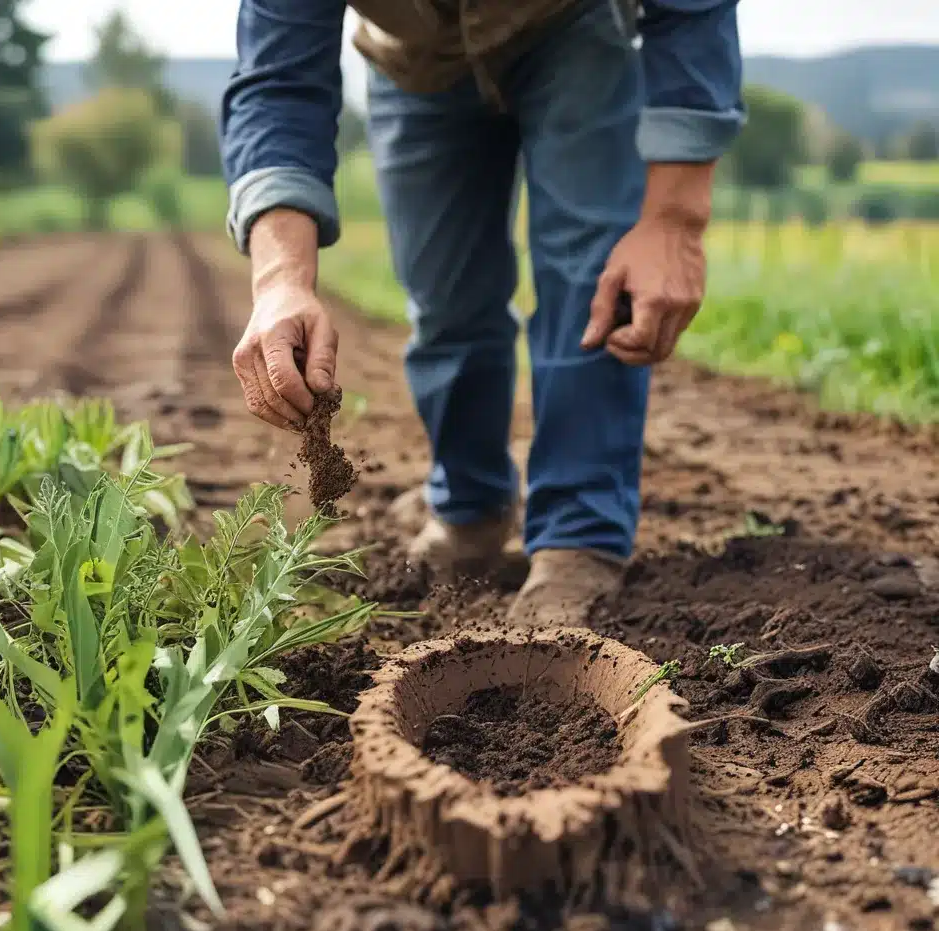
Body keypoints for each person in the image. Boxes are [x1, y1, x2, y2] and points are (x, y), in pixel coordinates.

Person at [220, 0, 743, 626]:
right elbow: (278, 75)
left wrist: (673, 221)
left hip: (571, 25)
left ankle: (578, 534)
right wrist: (281, 280)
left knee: (593, 285)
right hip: (415, 63)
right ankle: (471, 505)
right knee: (447, 301)